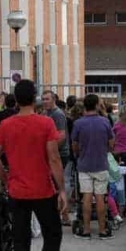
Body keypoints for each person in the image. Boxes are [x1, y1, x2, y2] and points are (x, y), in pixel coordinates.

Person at [0, 79, 66, 251]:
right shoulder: (45, 123)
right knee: (53, 234)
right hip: (42, 189)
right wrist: (62, 189)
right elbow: (53, 158)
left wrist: (5, 179)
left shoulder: (6, 125)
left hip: (17, 189)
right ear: (34, 98)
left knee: (21, 241)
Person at [71, 94, 115, 240]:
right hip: (101, 164)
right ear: (97, 105)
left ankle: (86, 230)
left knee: (86, 198)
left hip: (84, 164)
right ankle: (102, 230)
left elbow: (75, 145)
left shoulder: (78, 124)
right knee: (101, 198)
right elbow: (111, 143)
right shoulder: (105, 122)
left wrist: (80, 154)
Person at [41, 91, 71, 224]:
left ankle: (64, 215)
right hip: (53, 153)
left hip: (60, 154)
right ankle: (62, 215)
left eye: (47, 99)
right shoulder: (46, 113)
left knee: (57, 184)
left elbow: (62, 136)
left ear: (53, 100)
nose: (44, 101)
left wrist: (49, 148)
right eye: (43, 99)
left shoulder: (58, 114)